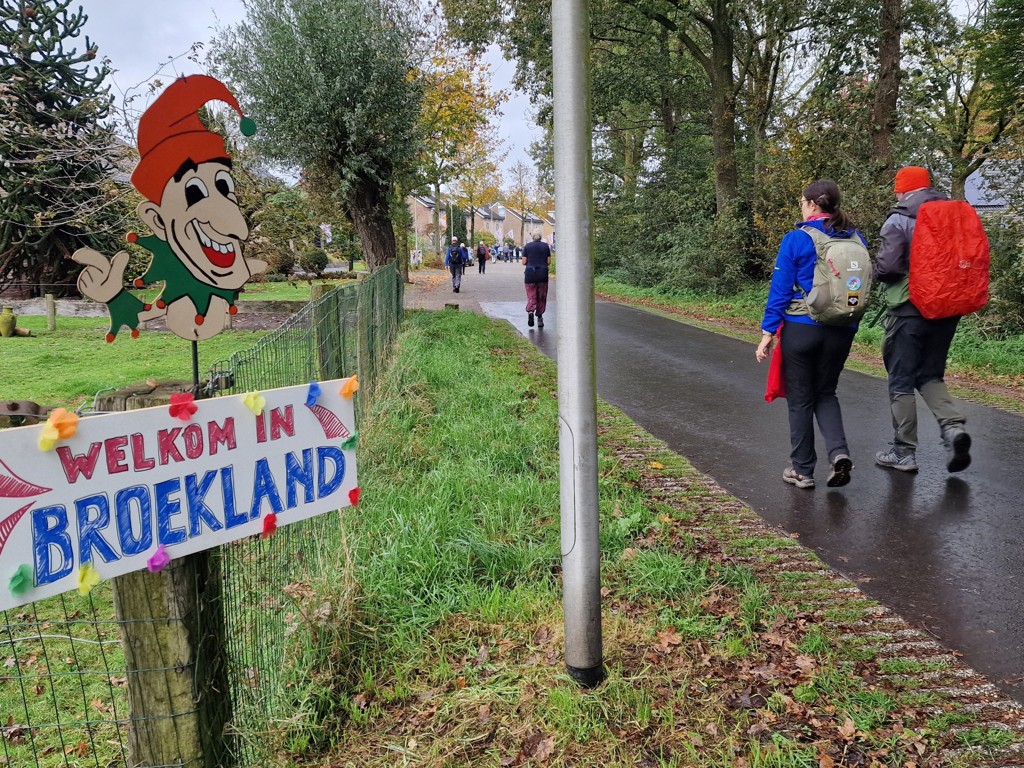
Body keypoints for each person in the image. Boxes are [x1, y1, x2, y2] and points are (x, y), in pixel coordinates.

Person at [755, 180, 866, 490]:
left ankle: (802, 470)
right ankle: (839, 453)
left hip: (802, 329)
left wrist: (768, 332)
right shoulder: (857, 239)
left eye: (802, 202)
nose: (801, 207)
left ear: (813, 205)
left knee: (801, 399)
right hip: (842, 329)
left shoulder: (797, 239)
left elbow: (780, 289)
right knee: (826, 393)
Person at [873, 166, 971, 473]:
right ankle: (953, 428)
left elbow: (887, 267)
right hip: (948, 307)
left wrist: (873, 272)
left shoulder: (899, 218)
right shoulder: (954, 213)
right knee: (930, 373)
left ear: (901, 191)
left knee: (901, 378)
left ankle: (903, 451)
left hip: (909, 308)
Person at [521, 232, 551, 328]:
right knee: (541, 297)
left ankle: (530, 311)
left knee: (531, 296)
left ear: (532, 236)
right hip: (543, 274)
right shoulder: (545, 246)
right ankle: (540, 318)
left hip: (530, 274)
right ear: (541, 236)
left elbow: (524, 261)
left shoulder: (527, 246)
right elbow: (549, 261)